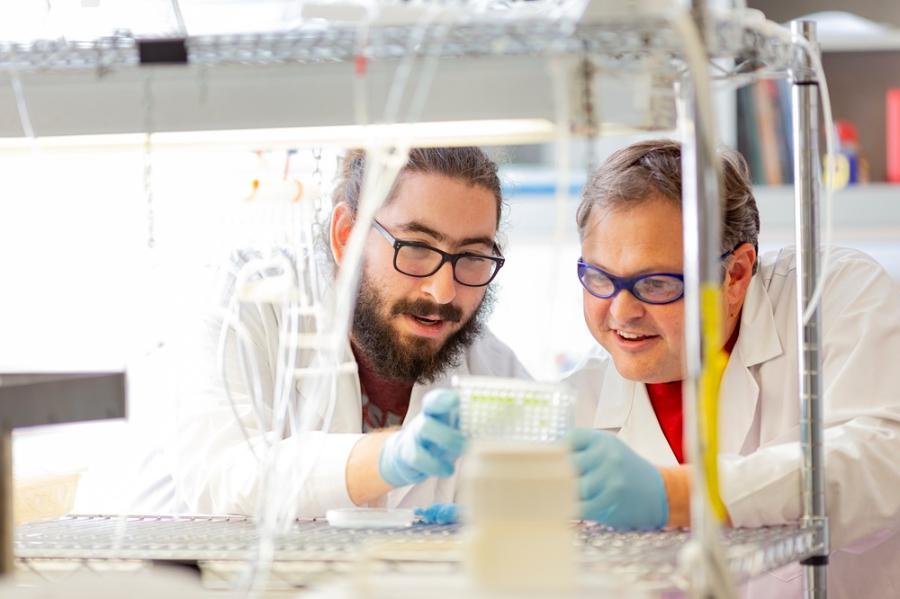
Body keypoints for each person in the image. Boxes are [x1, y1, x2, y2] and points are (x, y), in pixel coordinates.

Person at [564, 139, 900, 596]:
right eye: (600, 278)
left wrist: (679, 494)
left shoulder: (825, 299)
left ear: (736, 274)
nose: (621, 313)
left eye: (657, 283)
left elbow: (881, 465)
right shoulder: (579, 399)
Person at [172, 147, 529, 518]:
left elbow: (539, 492)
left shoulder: (490, 367)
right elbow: (222, 476)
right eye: (417, 248)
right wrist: (382, 458)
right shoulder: (253, 302)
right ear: (346, 236)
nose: (442, 292)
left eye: (471, 257)